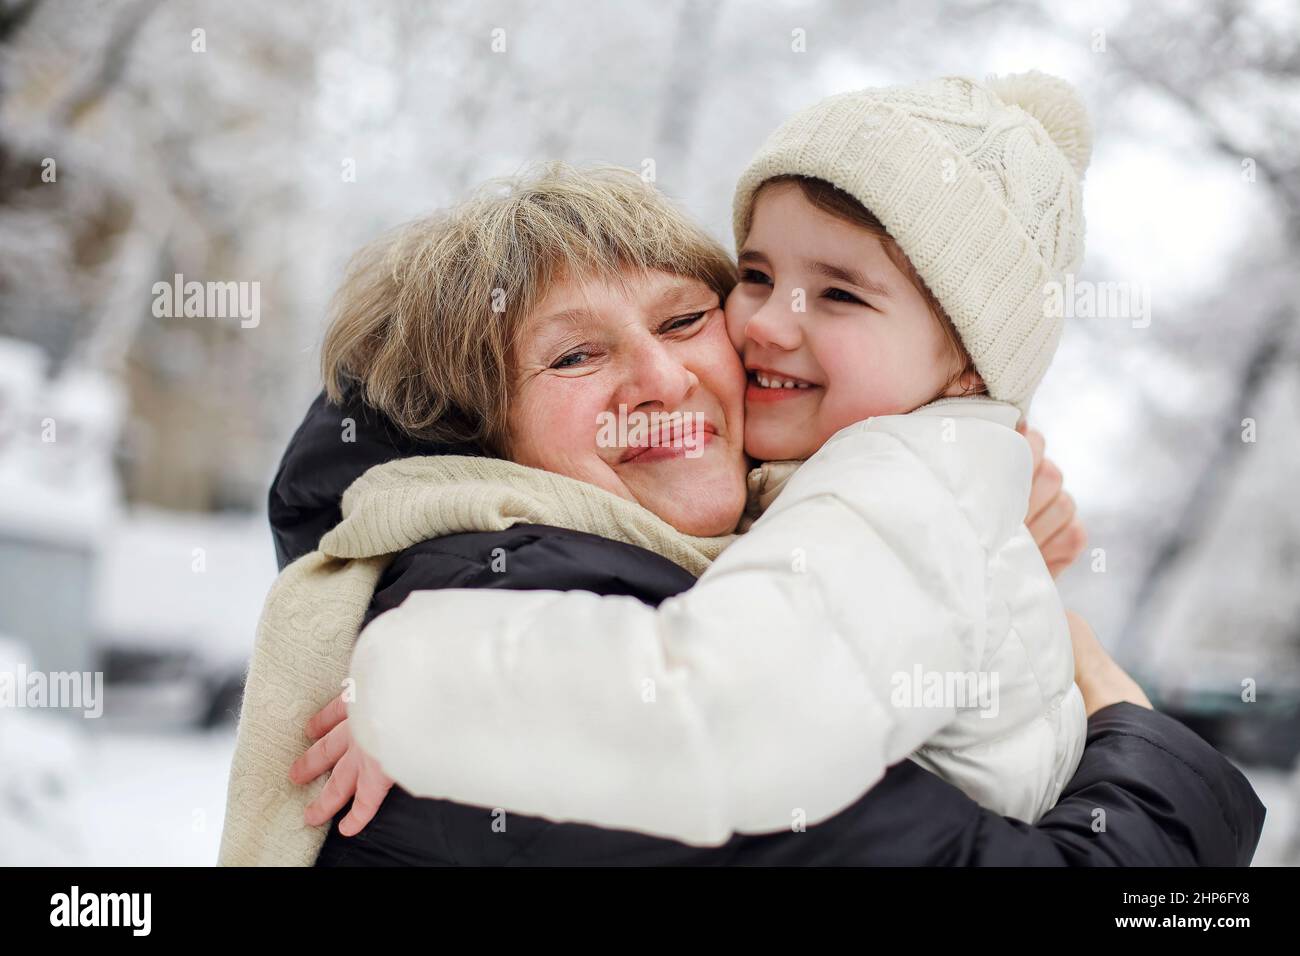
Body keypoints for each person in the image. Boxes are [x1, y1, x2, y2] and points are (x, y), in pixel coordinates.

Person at [216, 162, 1264, 867]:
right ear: (473, 429)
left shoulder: (738, 569)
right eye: (576, 354)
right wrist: (1129, 719)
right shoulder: (528, 630)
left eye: (686, 318)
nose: (665, 377)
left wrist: (975, 544)